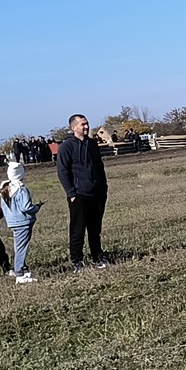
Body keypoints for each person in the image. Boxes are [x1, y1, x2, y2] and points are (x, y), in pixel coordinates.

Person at [56, 112, 110, 269]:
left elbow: (99, 166)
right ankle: (77, 261)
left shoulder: (92, 144)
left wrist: (103, 187)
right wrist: (71, 193)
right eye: (82, 124)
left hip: (97, 193)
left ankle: (97, 257)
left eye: (87, 123)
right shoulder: (66, 146)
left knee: (95, 229)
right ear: (74, 127)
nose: (86, 127)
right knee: (77, 229)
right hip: (79, 195)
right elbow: (62, 171)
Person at [0, 161, 42, 283]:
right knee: (22, 247)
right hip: (23, 222)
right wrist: (37, 208)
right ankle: (19, 273)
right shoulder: (21, 189)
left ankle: (23, 268)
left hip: (13, 222)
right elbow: (26, 207)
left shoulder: (5, 188)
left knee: (19, 246)